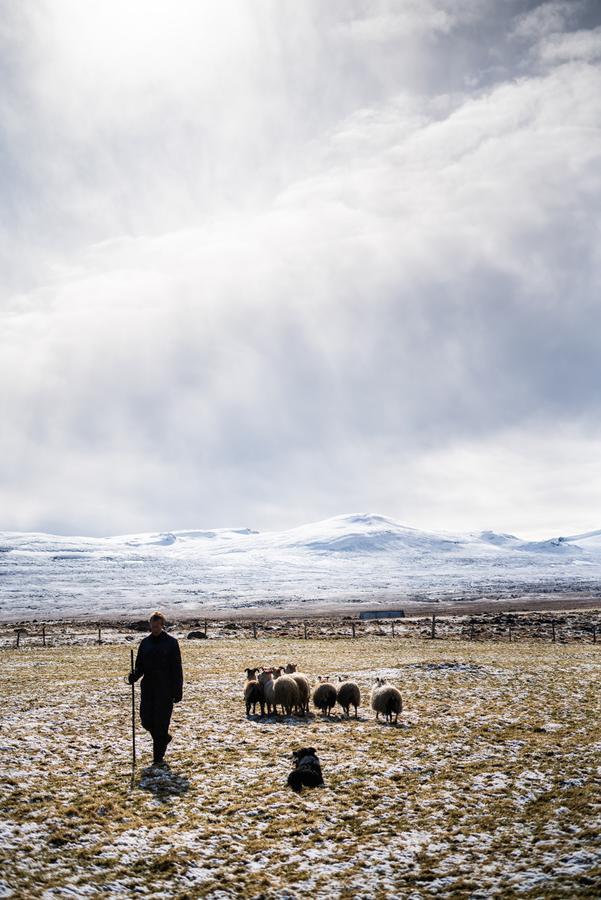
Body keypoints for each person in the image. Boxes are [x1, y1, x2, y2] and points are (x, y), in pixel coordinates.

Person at [128, 611, 183, 765]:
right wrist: (134, 675)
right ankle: (164, 738)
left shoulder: (171, 643)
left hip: (165, 689)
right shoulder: (145, 643)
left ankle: (157, 758)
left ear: (162, 625)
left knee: (161, 723)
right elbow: (140, 666)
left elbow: (177, 668)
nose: (155, 629)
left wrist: (177, 690)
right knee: (146, 721)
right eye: (152, 626)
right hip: (148, 688)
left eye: (157, 626)